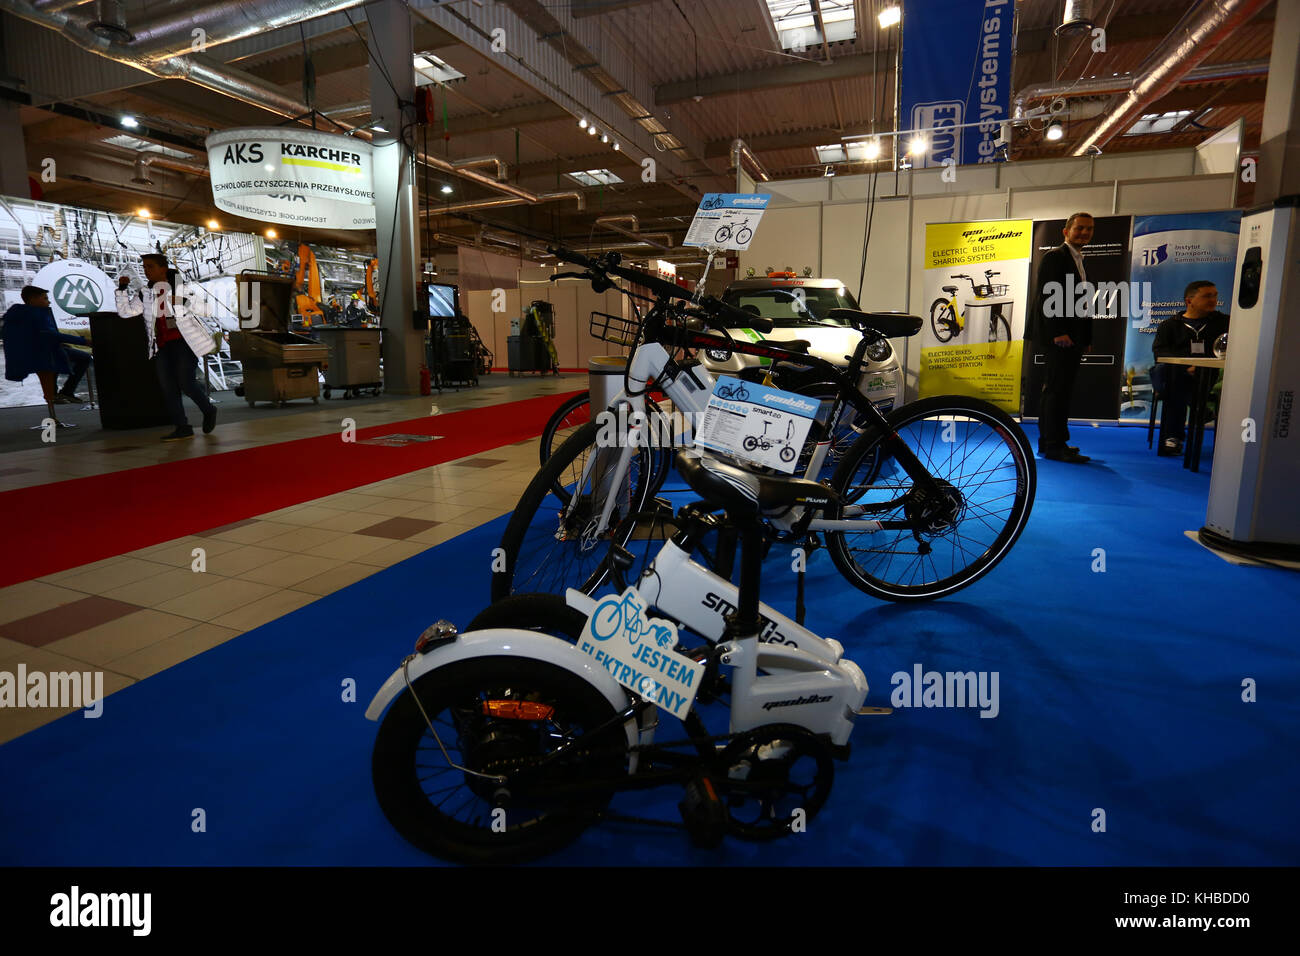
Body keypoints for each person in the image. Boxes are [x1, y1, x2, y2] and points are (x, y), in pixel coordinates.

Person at [116, 253, 217, 442]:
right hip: (161, 345)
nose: (146, 270)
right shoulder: (145, 292)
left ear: (163, 269)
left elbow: (207, 310)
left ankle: (208, 409)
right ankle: (182, 427)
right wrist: (122, 290)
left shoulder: (181, 288)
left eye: (150, 266)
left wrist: (182, 302)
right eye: (144, 267)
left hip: (185, 342)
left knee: (186, 382)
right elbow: (126, 312)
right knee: (168, 387)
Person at [1030, 212, 1096, 463]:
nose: (1084, 233)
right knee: (1056, 391)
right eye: (1079, 228)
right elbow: (1048, 297)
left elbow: (1084, 303)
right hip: (1059, 337)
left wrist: (1086, 337)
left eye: (1089, 229)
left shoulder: (1079, 259)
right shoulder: (1055, 257)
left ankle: (1051, 443)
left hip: (1073, 337)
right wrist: (1058, 332)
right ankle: (1054, 445)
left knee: (1059, 390)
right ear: (1066, 232)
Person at [1150, 280, 1229, 456]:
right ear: (1189, 301)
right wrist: (1187, 367)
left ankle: (1173, 437)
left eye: (1215, 295)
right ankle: (1199, 407)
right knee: (1167, 373)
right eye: (1207, 296)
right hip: (1176, 374)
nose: (1213, 300)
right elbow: (1160, 352)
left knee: (1173, 386)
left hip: (1207, 375)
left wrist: (1198, 367)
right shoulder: (1169, 325)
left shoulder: (1225, 323)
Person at [1, 285, 87, 427]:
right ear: (33, 299)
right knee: (79, 359)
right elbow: (50, 334)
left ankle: (61, 396)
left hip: (43, 352)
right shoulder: (37, 314)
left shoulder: (19, 315)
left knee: (75, 361)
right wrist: (83, 341)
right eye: (45, 298)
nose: (48, 302)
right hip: (45, 355)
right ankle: (64, 394)